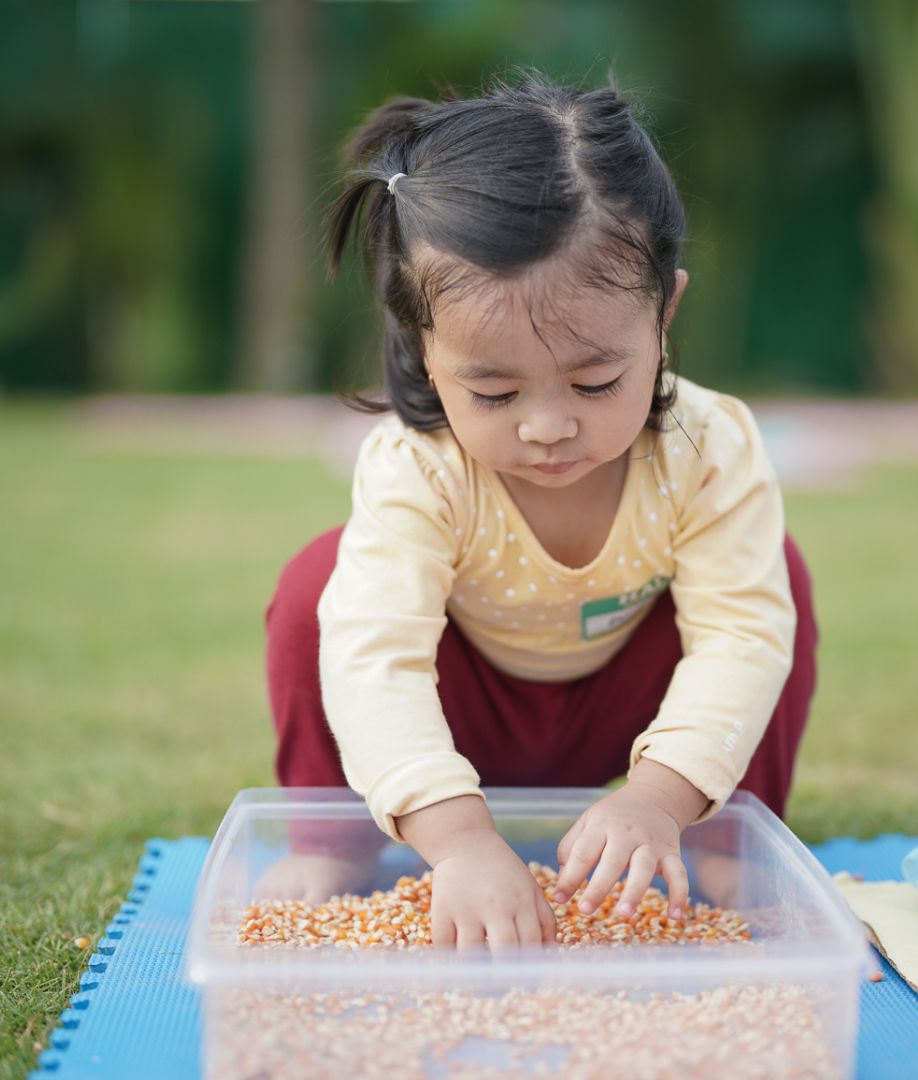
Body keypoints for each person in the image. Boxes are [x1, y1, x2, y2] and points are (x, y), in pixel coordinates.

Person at [262, 68, 818, 952]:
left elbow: (741, 638)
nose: (550, 426)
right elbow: (376, 660)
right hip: (466, 706)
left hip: (631, 711)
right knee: (315, 588)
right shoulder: (420, 467)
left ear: (664, 313)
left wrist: (657, 799)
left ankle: (721, 842)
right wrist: (457, 842)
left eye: (598, 381)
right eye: (492, 390)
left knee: (775, 578)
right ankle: (330, 841)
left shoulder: (710, 448)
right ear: (424, 348)